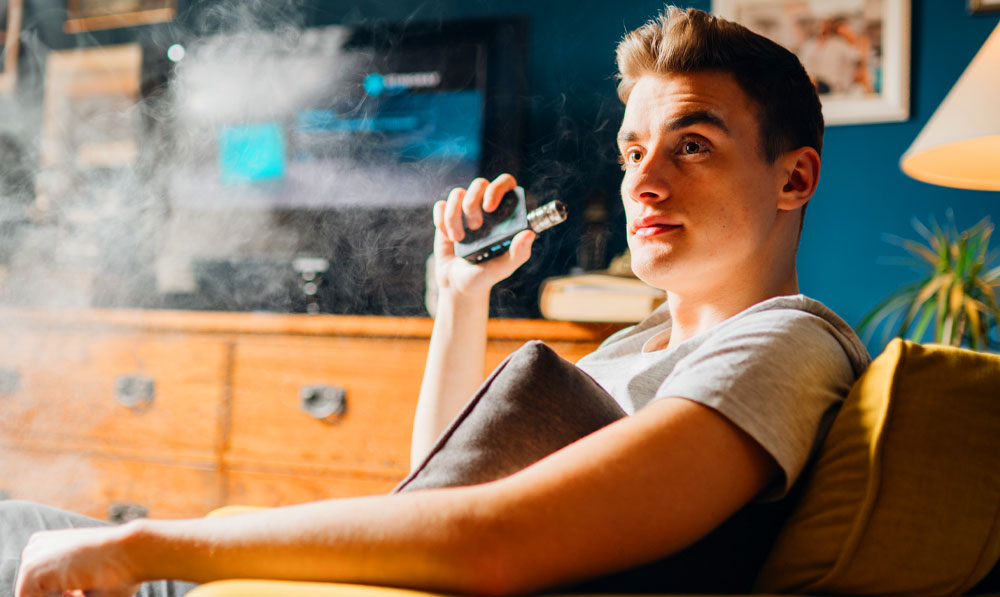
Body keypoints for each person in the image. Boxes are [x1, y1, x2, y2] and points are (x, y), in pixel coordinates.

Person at [5, 7, 870, 597]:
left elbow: (492, 540)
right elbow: (432, 490)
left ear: (794, 176)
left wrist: (149, 541)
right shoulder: (633, 352)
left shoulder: (785, 343)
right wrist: (461, 296)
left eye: (692, 145)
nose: (643, 178)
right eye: (633, 148)